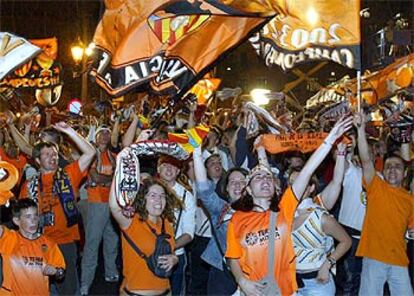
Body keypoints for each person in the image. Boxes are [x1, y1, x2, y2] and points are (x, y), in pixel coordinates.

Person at [225, 117, 352, 296]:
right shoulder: (237, 219)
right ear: (248, 190)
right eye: (258, 178)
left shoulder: (285, 209)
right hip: (251, 291)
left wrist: (330, 139)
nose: (265, 180)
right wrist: (242, 281)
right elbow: (233, 257)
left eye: (268, 178)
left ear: (276, 188)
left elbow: (308, 170)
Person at [19, 122, 95, 295]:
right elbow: (22, 219)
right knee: (41, 288)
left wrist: (70, 131)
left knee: (68, 289)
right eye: (47, 155)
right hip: (39, 243)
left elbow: (90, 152)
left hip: (65, 243)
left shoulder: (68, 175)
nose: (53, 157)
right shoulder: (28, 186)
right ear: (37, 161)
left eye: (54, 154)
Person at [354, 112, 414, 295]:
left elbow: (411, 228)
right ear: (383, 171)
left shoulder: (411, 200)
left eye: (397, 167)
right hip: (374, 257)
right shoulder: (376, 186)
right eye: (388, 167)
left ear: (405, 174)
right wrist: (360, 129)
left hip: (399, 259)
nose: (392, 170)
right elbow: (365, 159)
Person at [109, 148, 180, 296]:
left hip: (166, 292)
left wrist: (174, 259)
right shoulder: (131, 221)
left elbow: (169, 251)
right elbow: (114, 206)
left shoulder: (167, 223)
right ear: (143, 199)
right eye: (152, 195)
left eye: (162, 196)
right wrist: (119, 168)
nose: (158, 200)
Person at [289, 141, 352, 295]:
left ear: (311, 187)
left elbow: (346, 241)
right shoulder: (284, 211)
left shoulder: (319, 210)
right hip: (292, 283)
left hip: (318, 282)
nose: (295, 186)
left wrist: (328, 264)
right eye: (291, 183)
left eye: (301, 182)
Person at [193, 144, 248, 295]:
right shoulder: (221, 209)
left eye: (242, 181)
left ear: (249, 186)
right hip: (223, 274)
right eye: (232, 182)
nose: (237, 184)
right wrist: (197, 153)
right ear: (227, 188)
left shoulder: (260, 209)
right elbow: (204, 189)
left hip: (254, 270)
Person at [80, 125, 119, 295]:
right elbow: (95, 177)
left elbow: (116, 177)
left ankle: (110, 273)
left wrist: (105, 181)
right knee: (92, 244)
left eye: (107, 133)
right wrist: (111, 179)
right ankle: (85, 283)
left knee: (112, 241)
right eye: (101, 132)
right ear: (95, 136)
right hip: (96, 202)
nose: (104, 135)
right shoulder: (90, 155)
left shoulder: (114, 156)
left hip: (111, 203)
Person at [0, 198, 65, 295]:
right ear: (16, 221)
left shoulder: (48, 243)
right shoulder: (9, 239)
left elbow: (61, 273)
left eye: (35, 216)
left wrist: (55, 271)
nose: (33, 221)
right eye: (28, 217)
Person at [157, 155, 196, 295]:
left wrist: (170, 247)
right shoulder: (147, 191)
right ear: (158, 169)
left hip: (175, 255)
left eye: (173, 166)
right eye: (165, 165)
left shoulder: (186, 196)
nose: (169, 169)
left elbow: (189, 233)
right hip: (147, 254)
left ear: (179, 171)